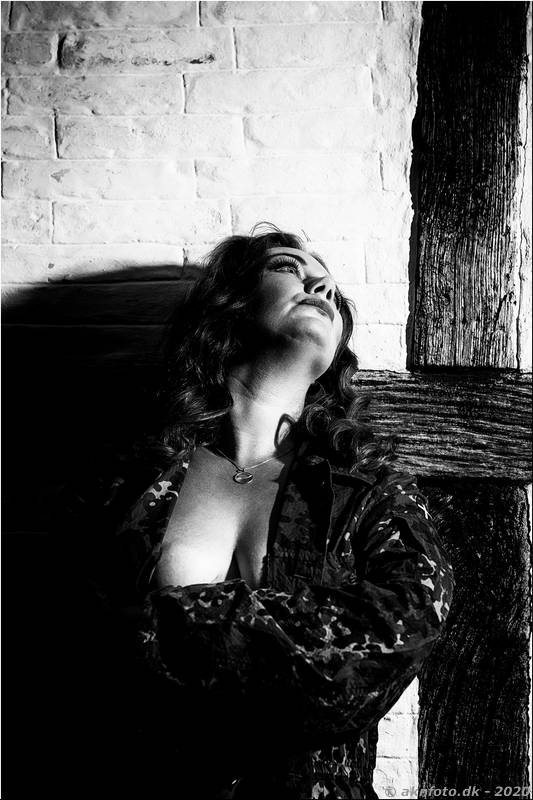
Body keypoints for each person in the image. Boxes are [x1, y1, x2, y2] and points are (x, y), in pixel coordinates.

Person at [99, 225, 455, 799]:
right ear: (231, 301)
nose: (322, 286)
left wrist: (167, 621)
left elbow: (401, 630)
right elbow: (78, 643)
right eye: (290, 268)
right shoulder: (134, 479)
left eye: (332, 289)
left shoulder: (371, 490)